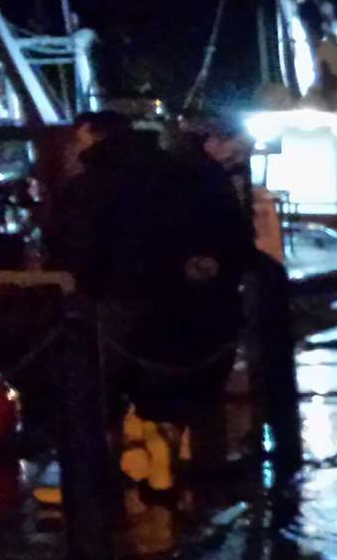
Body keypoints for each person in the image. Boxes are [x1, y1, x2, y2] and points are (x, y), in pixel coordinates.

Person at [46, 110, 252, 493]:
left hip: (120, 305)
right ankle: (183, 461)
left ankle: (98, 483)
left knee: (96, 387)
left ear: (92, 135)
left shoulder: (92, 184)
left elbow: (71, 247)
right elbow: (235, 238)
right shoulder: (196, 173)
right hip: (197, 307)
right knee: (179, 389)